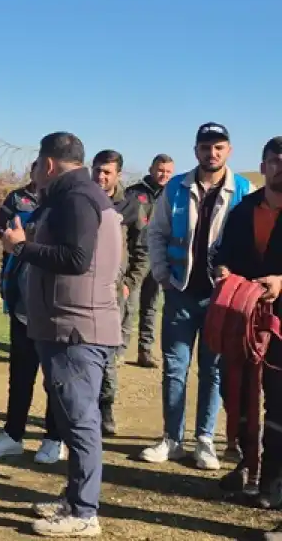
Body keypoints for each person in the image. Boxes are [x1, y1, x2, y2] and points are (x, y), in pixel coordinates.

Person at [3, 132, 121, 537]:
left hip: (76, 329)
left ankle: (84, 513)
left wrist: (22, 248)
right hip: (69, 324)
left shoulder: (76, 199)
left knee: (80, 421)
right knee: (73, 420)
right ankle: (74, 499)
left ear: (48, 165)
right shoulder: (76, 196)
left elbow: (76, 258)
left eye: (37, 165)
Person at [141, 122, 252, 470]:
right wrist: (162, 275)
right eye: (206, 146)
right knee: (174, 369)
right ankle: (171, 439)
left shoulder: (244, 191)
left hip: (221, 299)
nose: (212, 152)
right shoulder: (175, 188)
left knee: (213, 370)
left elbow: (250, 244)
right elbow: (156, 234)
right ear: (196, 151)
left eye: (219, 146)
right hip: (180, 293)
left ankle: (204, 439)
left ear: (229, 150)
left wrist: (236, 279)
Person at [213, 137, 282, 510]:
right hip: (242, 321)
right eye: (275, 160)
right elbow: (224, 254)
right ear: (264, 164)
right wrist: (222, 269)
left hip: (281, 325)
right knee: (237, 392)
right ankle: (246, 465)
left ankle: (272, 482)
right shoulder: (243, 210)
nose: (281, 167)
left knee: (279, 402)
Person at [0, 174, 65, 465]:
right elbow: (4, 233)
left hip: (56, 311)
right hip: (24, 305)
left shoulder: (70, 211)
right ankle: (12, 435)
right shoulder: (22, 206)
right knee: (19, 376)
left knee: (55, 380)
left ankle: (54, 438)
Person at [91, 149, 150, 437]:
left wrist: (130, 282)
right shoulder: (83, 199)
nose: (100, 176)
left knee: (108, 353)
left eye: (107, 172)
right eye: (97, 170)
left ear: (118, 175)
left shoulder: (129, 205)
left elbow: (143, 249)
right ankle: (83, 409)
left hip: (115, 292)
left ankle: (106, 406)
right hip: (84, 290)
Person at [121, 154, 175, 368]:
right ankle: (119, 351)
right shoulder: (134, 193)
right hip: (136, 257)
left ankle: (145, 351)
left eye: (168, 171)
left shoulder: (174, 194)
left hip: (161, 257)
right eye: (160, 170)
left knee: (151, 306)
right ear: (151, 169)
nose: (164, 175)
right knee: (128, 305)